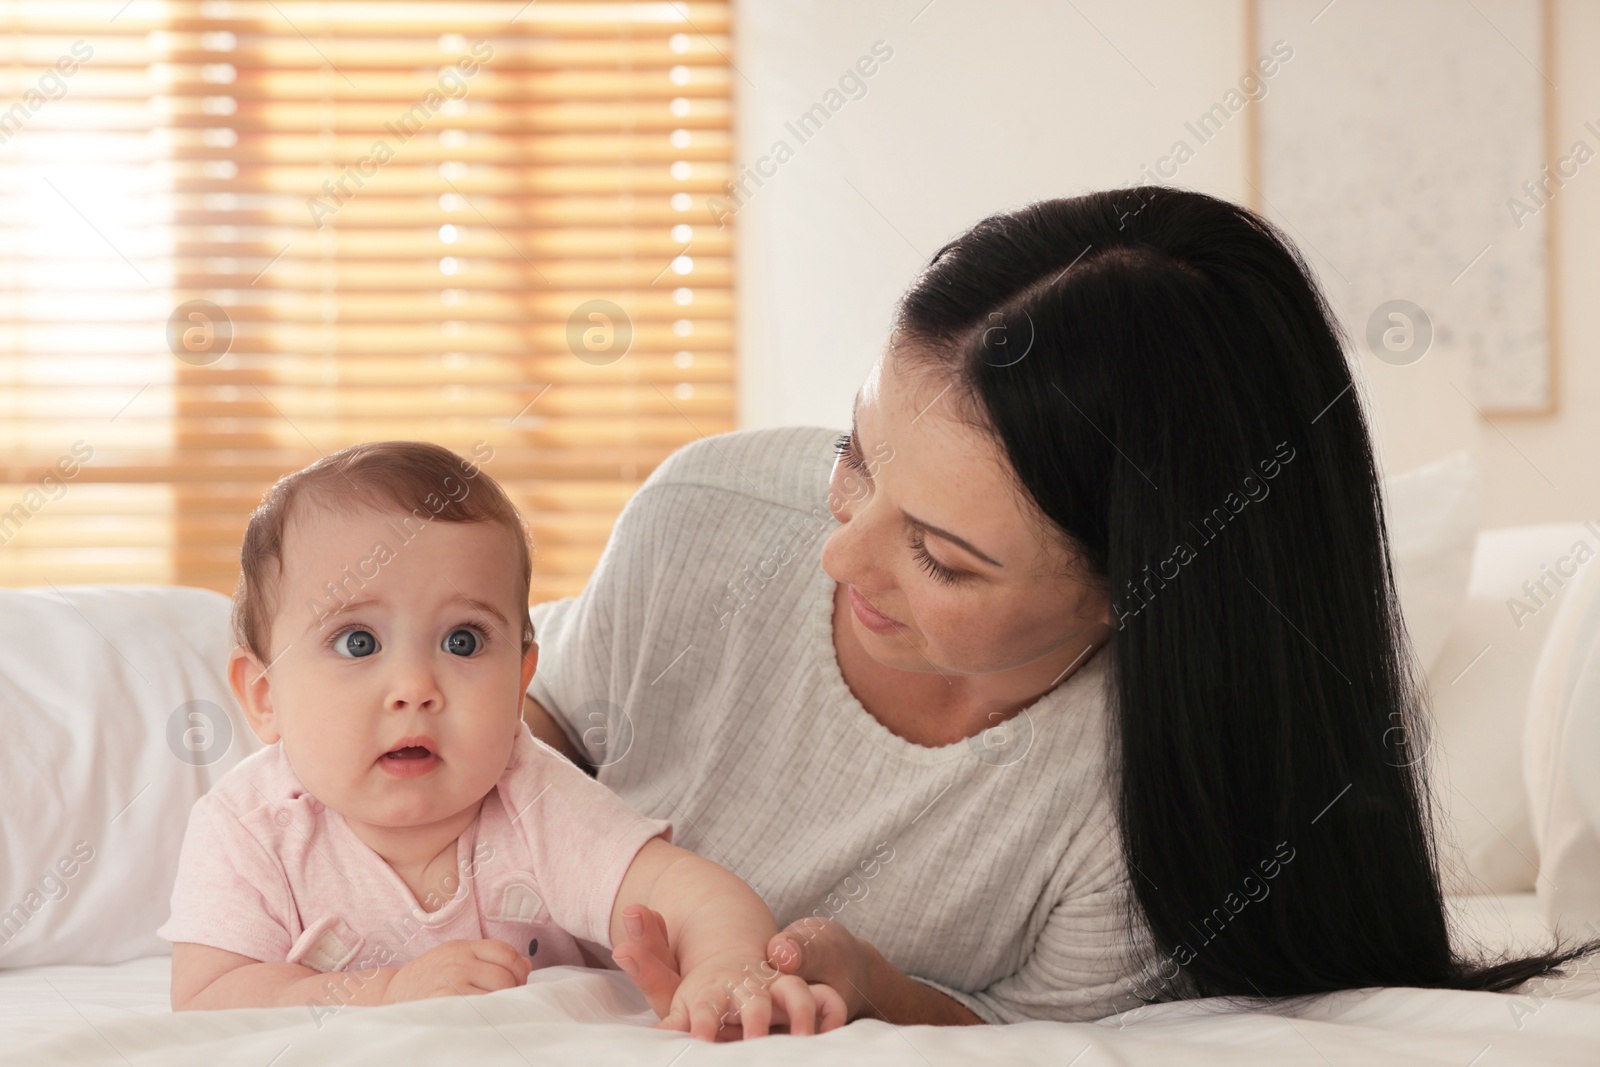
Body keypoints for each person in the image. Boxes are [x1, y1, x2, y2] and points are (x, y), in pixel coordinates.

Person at [523, 186, 1600, 1031]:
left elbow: (1026, 1029)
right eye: (856, 456)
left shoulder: (1157, 803)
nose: (838, 548)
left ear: (1136, 591)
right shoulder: (704, 514)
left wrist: (875, 988)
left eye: (941, 557)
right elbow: (525, 729)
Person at [158, 441, 845, 1041]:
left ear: (521, 680)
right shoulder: (248, 829)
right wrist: (389, 991)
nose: (415, 686)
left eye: (464, 640)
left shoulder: (532, 796)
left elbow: (691, 891)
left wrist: (726, 964)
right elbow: (208, 997)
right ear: (264, 695)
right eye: (357, 641)